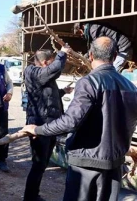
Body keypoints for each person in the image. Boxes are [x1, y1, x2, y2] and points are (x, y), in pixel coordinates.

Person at [19, 37, 137, 201]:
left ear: (90, 55)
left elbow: (70, 121)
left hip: (86, 163)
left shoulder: (89, 82)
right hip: (114, 164)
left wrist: (37, 129)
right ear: (115, 55)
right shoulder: (131, 86)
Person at [23, 48, 73, 201]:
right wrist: (62, 53)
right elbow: (54, 69)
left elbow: (47, 95)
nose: (51, 66)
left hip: (49, 127)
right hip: (38, 127)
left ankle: (33, 195)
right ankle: (30, 197)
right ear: (45, 63)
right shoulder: (33, 71)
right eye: (50, 63)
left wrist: (63, 91)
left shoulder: (42, 75)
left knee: (42, 164)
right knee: (38, 165)